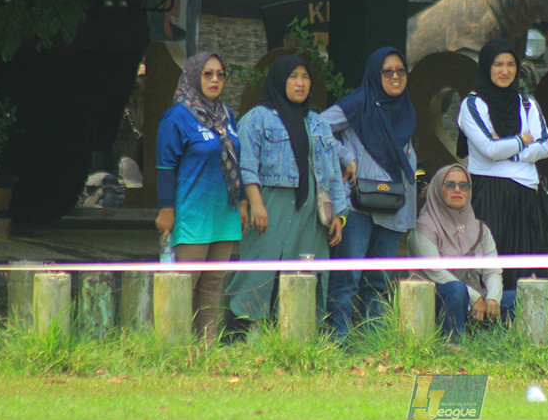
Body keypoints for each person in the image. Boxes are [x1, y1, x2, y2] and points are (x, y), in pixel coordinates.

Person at [226, 55, 347, 327]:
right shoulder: (257, 118)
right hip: (271, 206)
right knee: (259, 274)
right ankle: (243, 340)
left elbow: (332, 175)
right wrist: (256, 203)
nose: (300, 83)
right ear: (280, 81)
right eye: (293, 77)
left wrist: (339, 214)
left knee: (303, 274)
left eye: (305, 77)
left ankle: (295, 340)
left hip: (311, 214)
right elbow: (246, 166)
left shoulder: (319, 123)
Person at [456, 38, 548, 315]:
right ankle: (487, 326)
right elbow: (488, 148)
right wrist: (524, 141)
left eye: (511, 64)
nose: (505, 71)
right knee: (490, 262)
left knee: (527, 265)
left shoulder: (528, 104)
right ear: (486, 67)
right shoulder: (472, 105)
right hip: (488, 194)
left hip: (526, 195)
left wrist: (510, 147)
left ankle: (531, 325)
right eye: (498, 64)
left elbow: (545, 146)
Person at [322, 47, 417, 340]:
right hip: (359, 204)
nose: (395, 76)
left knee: (378, 280)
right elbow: (317, 125)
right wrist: (345, 154)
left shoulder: (405, 108)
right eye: (387, 71)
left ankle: (372, 343)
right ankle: (338, 342)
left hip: (393, 203)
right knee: (347, 277)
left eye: (400, 70)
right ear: (375, 74)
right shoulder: (358, 103)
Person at [155, 52, 246, 342]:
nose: (215, 80)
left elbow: (235, 163)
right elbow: (165, 168)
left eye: (220, 74)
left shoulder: (226, 114)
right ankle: (176, 351)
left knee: (212, 286)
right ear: (194, 76)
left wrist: (242, 201)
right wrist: (166, 210)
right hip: (192, 213)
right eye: (208, 74)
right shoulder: (176, 117)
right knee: (185, 285)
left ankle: (205, 352)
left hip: (224, 212)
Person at [407, 163, 516, 340]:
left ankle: (497, 343)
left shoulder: (480, 229)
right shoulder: (423, 229)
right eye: (450, 185)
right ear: (436, 189)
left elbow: (492, 271)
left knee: (518, 297)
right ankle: (453, 343)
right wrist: (474, 297)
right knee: (456, 290)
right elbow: (437, 272)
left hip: (474, 301)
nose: (457, 189)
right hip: (438, 300)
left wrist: (492, 299)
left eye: (463, 185)